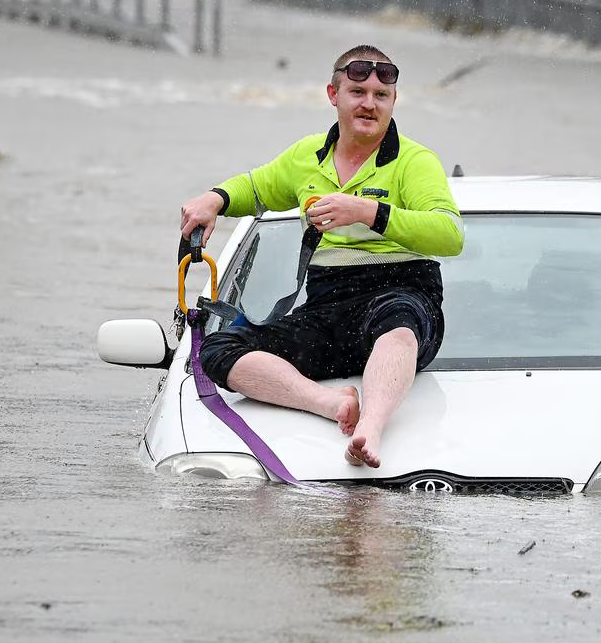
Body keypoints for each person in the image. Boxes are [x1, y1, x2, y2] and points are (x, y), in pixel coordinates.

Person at [179, 45, 463, 469]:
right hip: (328, 308)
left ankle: (371, 427)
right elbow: (255, 188)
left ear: (393, 101)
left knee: (398, 324)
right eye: (357, 92)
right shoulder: (306, 156)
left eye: (381, 96)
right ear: (333, 94)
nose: (369, 104)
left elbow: (450, 235)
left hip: (402, 293)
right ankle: (330, 403)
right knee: (219, 349)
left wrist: (368, 212)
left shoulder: (415, 161)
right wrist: (214, 198)